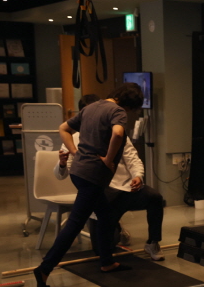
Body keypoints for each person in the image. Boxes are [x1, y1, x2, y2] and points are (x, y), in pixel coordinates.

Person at [33, 83, 143, 287]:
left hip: (80, 173)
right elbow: (118, 134)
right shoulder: (117, 111)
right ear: (129, 103)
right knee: (75, 223)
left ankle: (107, 262)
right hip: (93, 176)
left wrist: (75, 152)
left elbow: (63, 128)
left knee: (106, 216)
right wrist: (108, 159)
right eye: (131, 108)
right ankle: (44, 268)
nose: (129, 112)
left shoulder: (91, 107)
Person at [54, 94, 165, 261]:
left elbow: (132, 158)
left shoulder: (115, 131)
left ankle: (153, 242)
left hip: (125, 189)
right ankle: (115, 228)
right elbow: (62, 174)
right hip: (101, 194)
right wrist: (62, 163)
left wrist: (138, 176)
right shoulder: (73, 139)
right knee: (102, 249)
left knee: (154, 197)